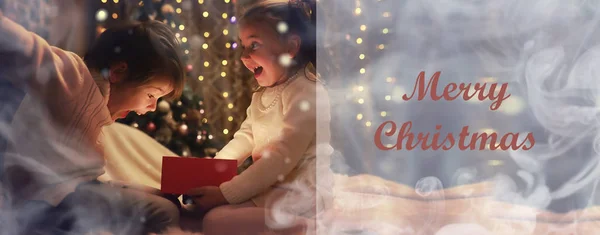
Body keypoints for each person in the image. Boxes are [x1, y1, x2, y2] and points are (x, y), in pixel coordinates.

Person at [0, 10, 185, 235]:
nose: (153, 107)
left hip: (69, 196)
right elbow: (25, 48)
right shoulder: (74, 78)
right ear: (117, 72)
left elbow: (89, 178)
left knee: (165, 205)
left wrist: (149, 190)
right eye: (151, 95)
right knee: (164, 213)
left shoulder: (98, 116)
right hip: (43, 202)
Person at [183, 0, 332, 234]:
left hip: (300, 194)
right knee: (203, 215)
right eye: (242, 46)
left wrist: (225, 193)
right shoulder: (262, 95)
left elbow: (282, 156)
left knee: (215, 221)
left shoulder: (308, 92)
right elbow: (245, 138)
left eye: (254, 45)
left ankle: (311, 229)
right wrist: (211, 172)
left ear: (290, 47)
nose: (243, 56)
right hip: (272, 188)